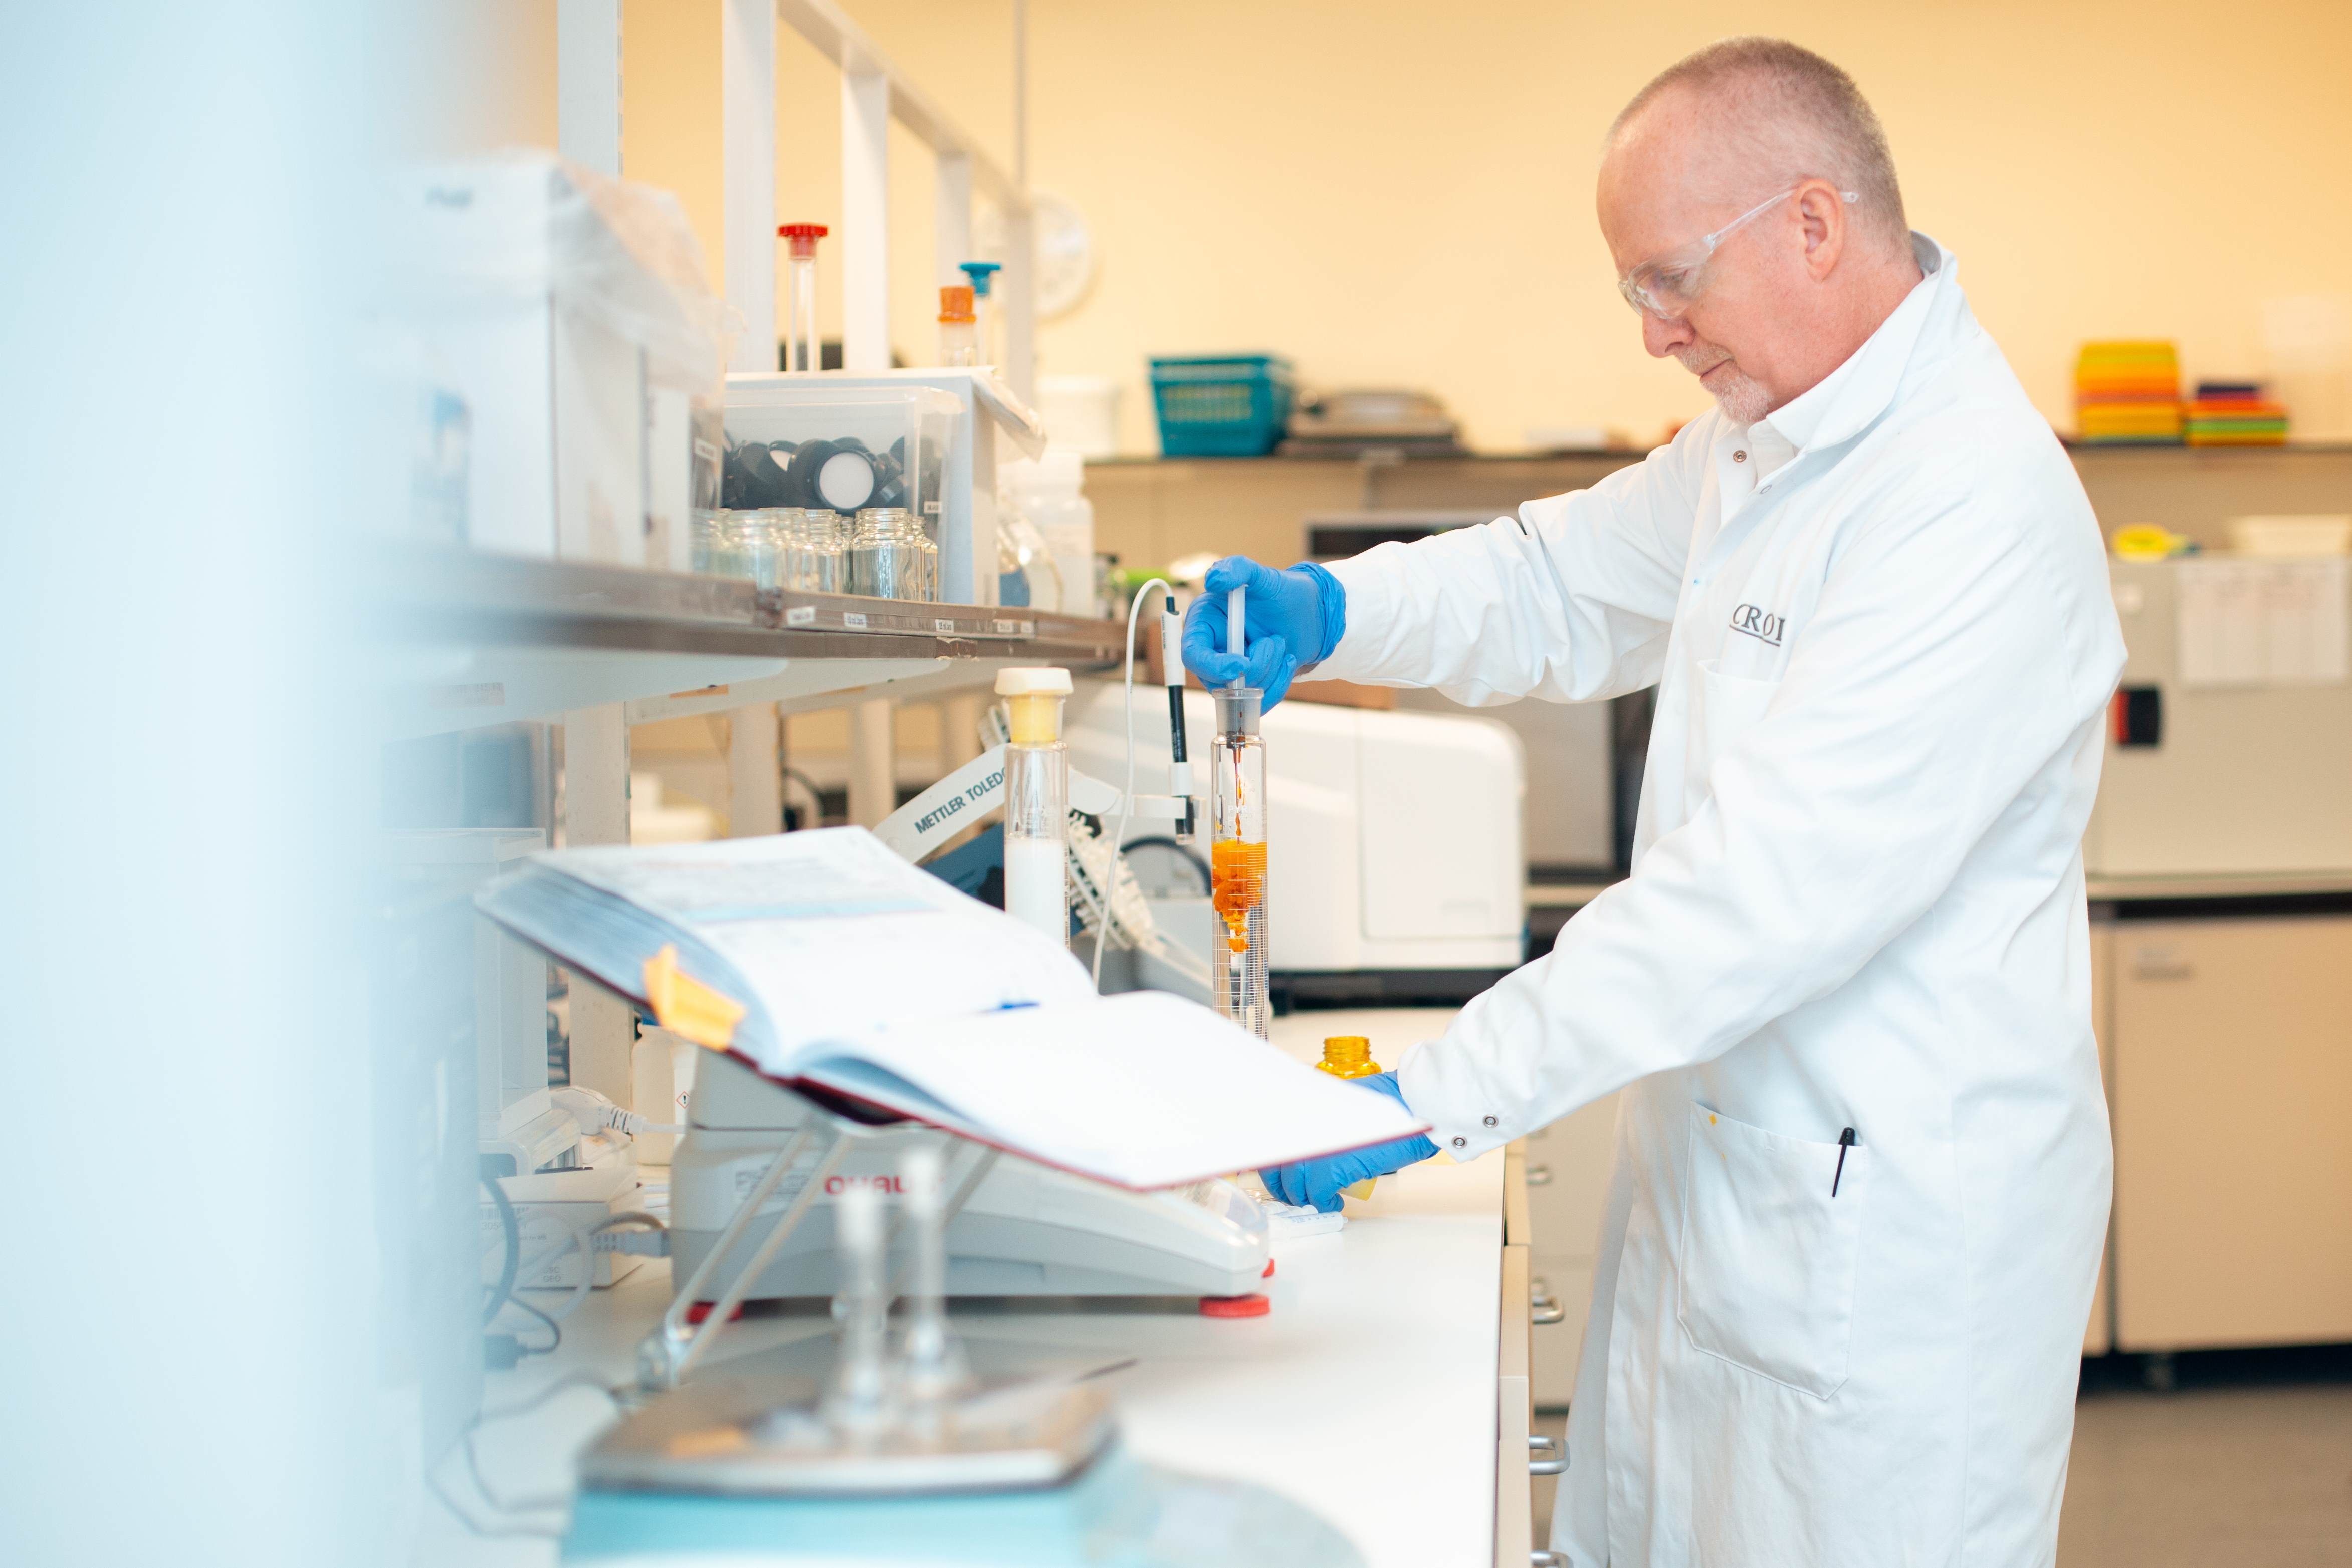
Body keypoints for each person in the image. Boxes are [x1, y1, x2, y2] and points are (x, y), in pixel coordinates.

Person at [1184, 36, 2124, 1568]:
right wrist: (1331, 612)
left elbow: (1750, 900)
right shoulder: (1769, 442)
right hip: (1732, 1176)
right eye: (1638, 291)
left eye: (1667, 281)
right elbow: (1552, 578)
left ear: (1813, 224)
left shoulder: (1973, 503)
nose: (1655, 334)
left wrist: (1429, 1095)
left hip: (1885, 1248)